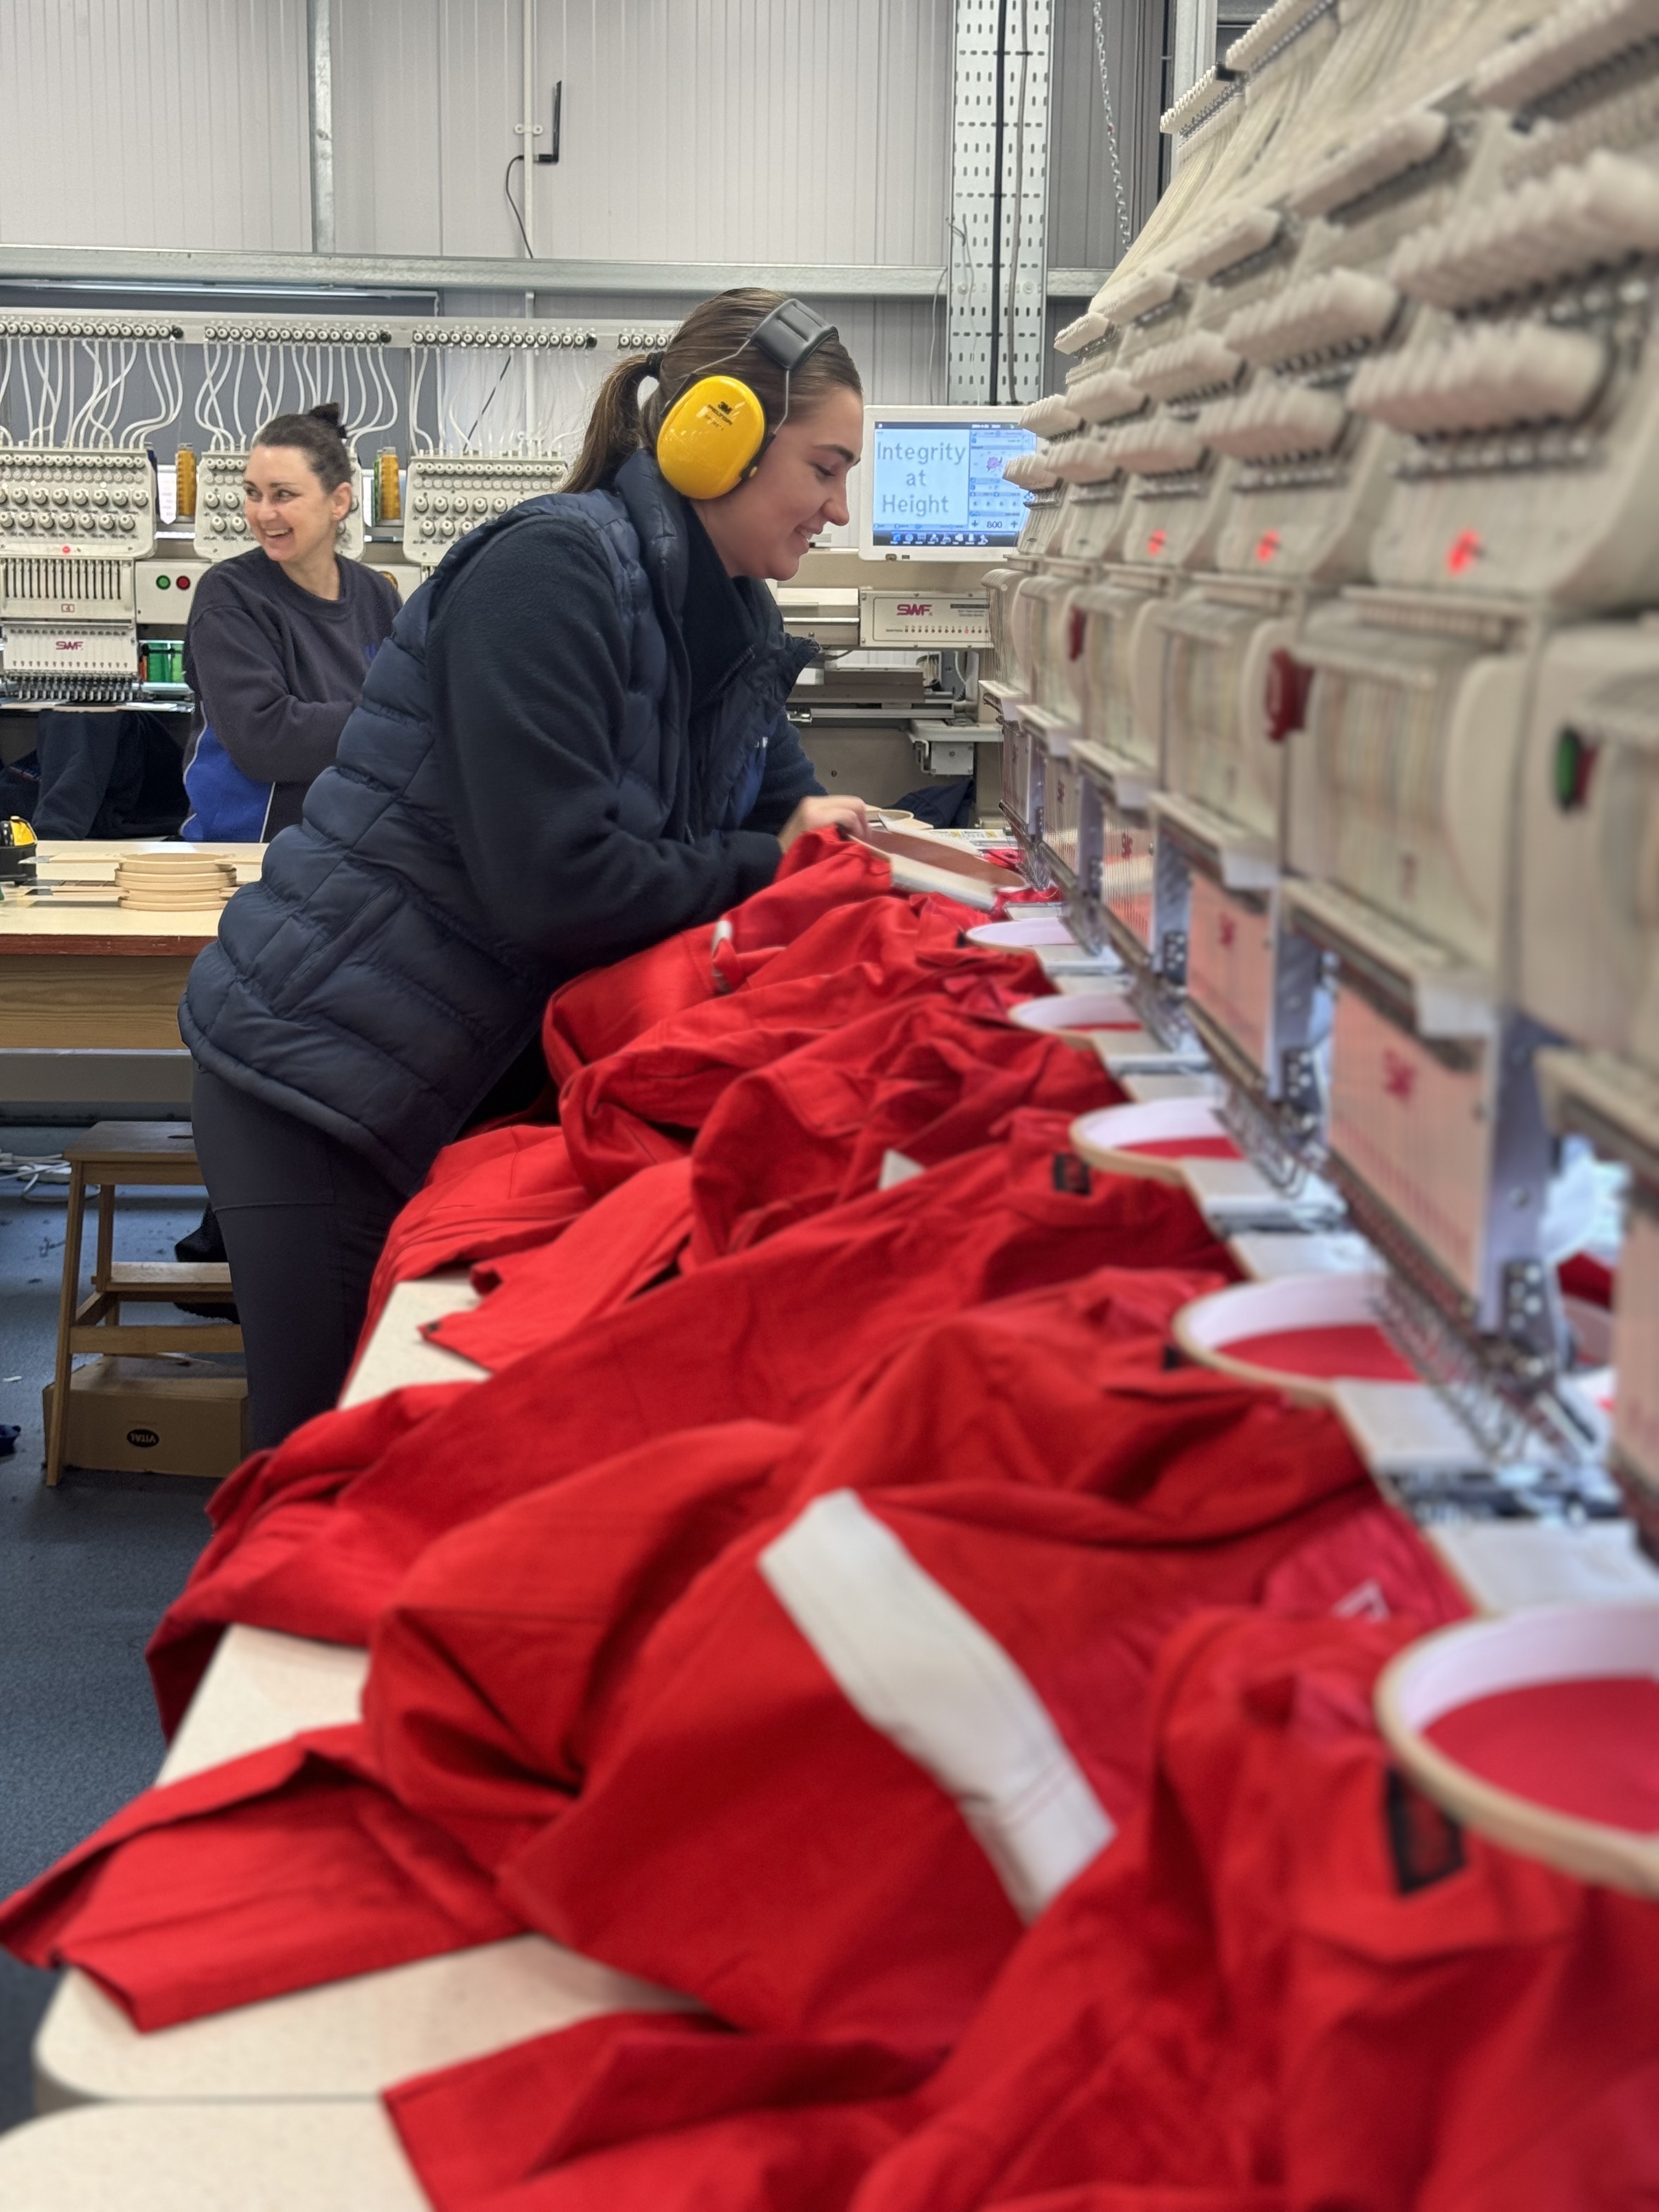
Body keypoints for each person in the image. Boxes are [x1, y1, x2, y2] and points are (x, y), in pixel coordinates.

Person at [182, 289, 869, 1447]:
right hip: (325, 1077)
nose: (839, 510)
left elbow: (781, 805)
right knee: (320, 1456)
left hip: (461, 1073)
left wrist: (859, 851)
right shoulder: (552, 574)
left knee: (431, 1443)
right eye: (826, 466)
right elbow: (560, 884)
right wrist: (774, 861)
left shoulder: (730, 620)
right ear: (721, 437)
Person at [180, 403, 400, 841]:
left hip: (353, 847)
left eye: (283, 495)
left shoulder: (377, 595)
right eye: (253, 493)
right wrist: (390, 725)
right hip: (250, 854)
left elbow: (414, 713)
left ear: (339, 501)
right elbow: (265, 740)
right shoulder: (230, 596)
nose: (263, 514)